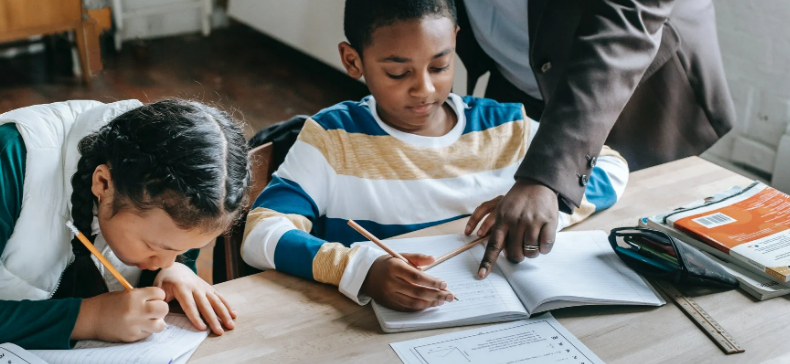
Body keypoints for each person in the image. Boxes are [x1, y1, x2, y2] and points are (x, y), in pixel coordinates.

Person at [240, 0, 629, 311]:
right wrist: (360, 270)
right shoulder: (333, 138)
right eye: (398, 73)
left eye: (440, 66)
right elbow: (261, 231)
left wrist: (542, 207)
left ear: (456, 41)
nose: (424, 89)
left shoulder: (504, 124)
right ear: (353, 60)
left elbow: (611, 166)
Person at [453, 0, 735, 277]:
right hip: (514, 78)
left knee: (643, 252)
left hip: (633, 88)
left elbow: (627, 21)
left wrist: (545, 177)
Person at [0, 99, 249, 348]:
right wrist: (88, 318)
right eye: (154, 246)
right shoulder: (10, 160)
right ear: (103, 183)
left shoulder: (188, 196)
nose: (165, 261)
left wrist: (172, 273)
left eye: (180, 251)